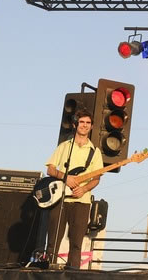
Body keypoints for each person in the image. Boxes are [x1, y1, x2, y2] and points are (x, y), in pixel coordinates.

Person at [45, 108, 103, 269]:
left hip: (82, 202)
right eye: (82, 122)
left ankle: (74, 273)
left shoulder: (95, 152)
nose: (84, 125)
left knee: (77, 243)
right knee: (52, 241)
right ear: (75, 124)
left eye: (88, 123)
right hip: (60, 198)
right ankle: (48, 271)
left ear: (91, 126)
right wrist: (66, 177)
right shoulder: (64, 146)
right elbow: (50, 169)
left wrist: (84, 190)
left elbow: (96, 178)